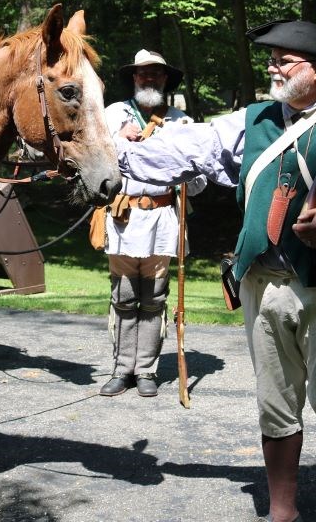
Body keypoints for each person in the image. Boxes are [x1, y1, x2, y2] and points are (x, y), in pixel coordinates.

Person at [114, 21, 316, 522]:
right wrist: (107, 153)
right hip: (262, 285)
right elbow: (186, 149)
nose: (272, 67)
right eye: (271, 59)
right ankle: (283, 514)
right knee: (275, 406)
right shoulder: (251, 121)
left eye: (283, 60)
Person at [98, 50, 206, 398]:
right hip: (123, 217)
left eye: (156, 74)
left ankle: (146, 369)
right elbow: (93, 161)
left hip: (162, 218)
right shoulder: (112, 115)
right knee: (124, 296)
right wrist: (117, 140)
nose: (149, 79)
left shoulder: (181, 122)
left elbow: (199, 179)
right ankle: (121, 369)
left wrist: (185, 162)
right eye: (143, 73)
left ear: (165, 80)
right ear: (134, 78)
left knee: (154, 298)